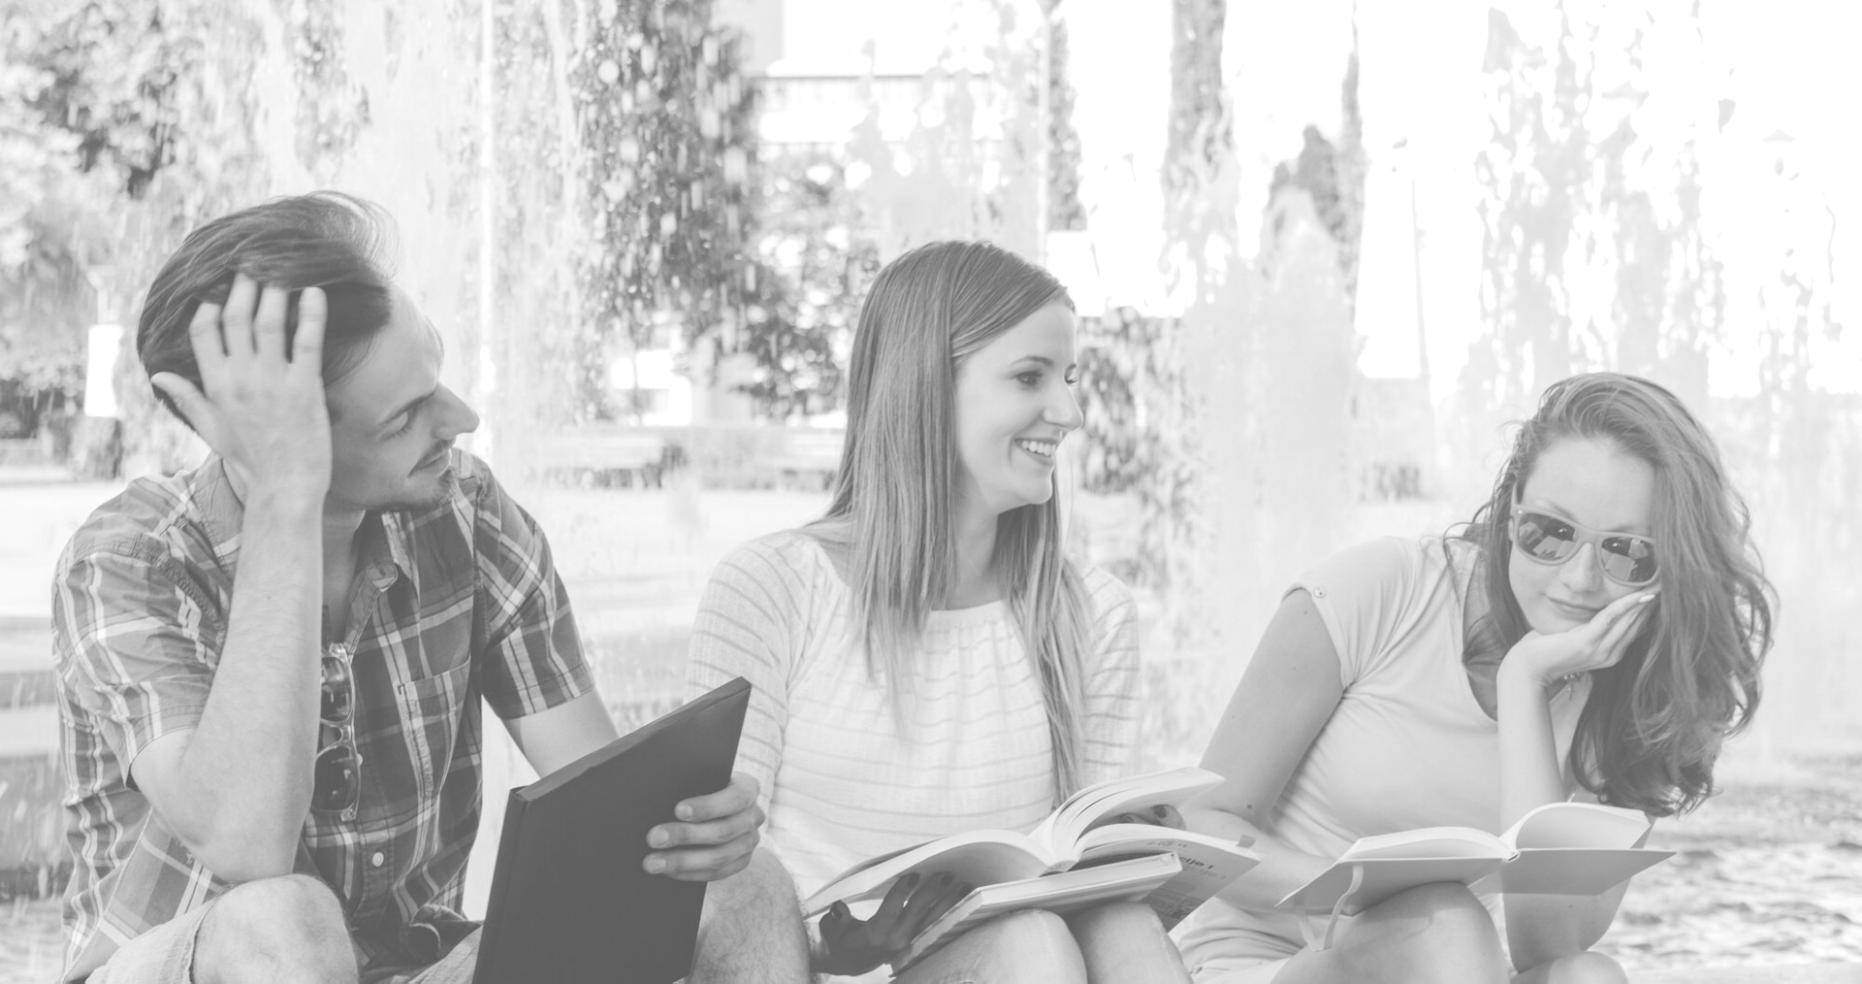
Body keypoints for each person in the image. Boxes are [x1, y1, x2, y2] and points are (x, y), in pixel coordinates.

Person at [50, 193, 807, 984]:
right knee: (285, 919)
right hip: (208, 962)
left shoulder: (465, 513)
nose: (463, 418)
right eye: (406, 416)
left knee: (741, 886)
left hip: (418, 965)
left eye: (435, 380)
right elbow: (247, 842)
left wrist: (690, 832)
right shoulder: (128, 560)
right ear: (280, 442)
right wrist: (286, 500)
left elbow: (603, 806)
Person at [682, 240, 1191, 983]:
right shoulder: (771, 587)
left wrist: (1139, 859)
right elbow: (718, 891)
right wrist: (834, 950)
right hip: (804, 972)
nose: (1072, 412)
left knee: (1099, 929)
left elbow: (1083, 885)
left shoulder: (1094, 613)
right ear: (926, 387)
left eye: (1071, 379)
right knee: (1033, 948)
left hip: (1004, 965)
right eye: (1030, 377)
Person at [1176, 372, 1774, 983]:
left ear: (1673, 562)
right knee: (1444, 921)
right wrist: (1357, 900)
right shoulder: (1381, 590)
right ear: (1513, 513)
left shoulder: (1637, 689)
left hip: (1453, 973)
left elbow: (1545, 945)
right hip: (1266, 961)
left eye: (1627, 551)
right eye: (1552, 532)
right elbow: (1199, 826)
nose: (1580, 578)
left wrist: (1525, 681)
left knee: (1586, 976)